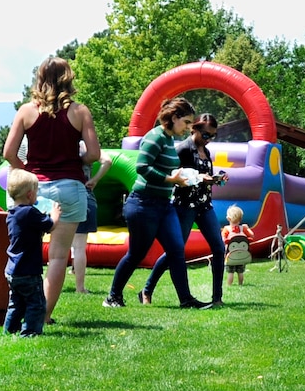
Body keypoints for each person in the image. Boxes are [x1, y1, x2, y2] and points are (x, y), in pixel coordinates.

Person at [3, 56, 101, 324]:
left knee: (23, 251)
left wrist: (27, 171)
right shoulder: (80, 112)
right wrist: (77, 162)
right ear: (68, 78)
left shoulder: (25, 111)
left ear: (39, 79)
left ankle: (18, 311)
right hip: (70, 188)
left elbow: (8, 152)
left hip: (33, 190)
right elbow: (94, 154)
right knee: (58, 257)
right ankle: (43, 316)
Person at [105, 98, 210, 309]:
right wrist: (171, 180)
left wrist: (192, 177)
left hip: (164, 205)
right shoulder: (154, 137)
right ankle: (113, 297)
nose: (189, 128)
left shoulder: (169, 139)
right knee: (136, 254)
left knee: (176, 250)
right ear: (173, 118)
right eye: (186, 122)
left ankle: (186, 300)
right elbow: (142, 168)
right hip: (143, 204)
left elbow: (167, 169)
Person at [138, 113, 228, 307]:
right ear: (194, 129)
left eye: (213, 136)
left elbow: (204, 177)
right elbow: (174, 176)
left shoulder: (206, 151)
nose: (209, 139)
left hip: (204, 205)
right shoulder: (183, 150)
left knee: (219, 248)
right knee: (174, 252)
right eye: (206, 135)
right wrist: (196, 178)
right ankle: (146, 289)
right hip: (184, 206)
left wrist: (214, 179)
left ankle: (217, 298)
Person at [3, 168, 60, 337]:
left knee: (16, 303)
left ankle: (10, 329)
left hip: (13, 270)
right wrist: (55, 215)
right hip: (28, 270)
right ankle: (30, 332)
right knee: (36, 303)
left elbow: (29, 231)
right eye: (36, 192)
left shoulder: (12, 214)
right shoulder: (30, 212)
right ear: (30, 195)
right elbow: (49, 225)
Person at [70, 145, 112, 294]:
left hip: (63, 193)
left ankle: (49, 287)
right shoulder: (84, 145)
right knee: (80, 247)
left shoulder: (61, 141)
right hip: (84, 193)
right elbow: (107, 161)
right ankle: (80, 288)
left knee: (58, 248)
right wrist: (94, 180)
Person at [223, 205, 254, 287]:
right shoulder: (243, 228)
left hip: (231, 255)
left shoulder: (226, 229)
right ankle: (240, 284)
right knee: (240, 272)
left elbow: (223, 239)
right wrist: (248, 228)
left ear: (228, 218)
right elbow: (252, 236)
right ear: (241, 219)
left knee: (230, 272)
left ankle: (229, 285)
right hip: (242, 255)